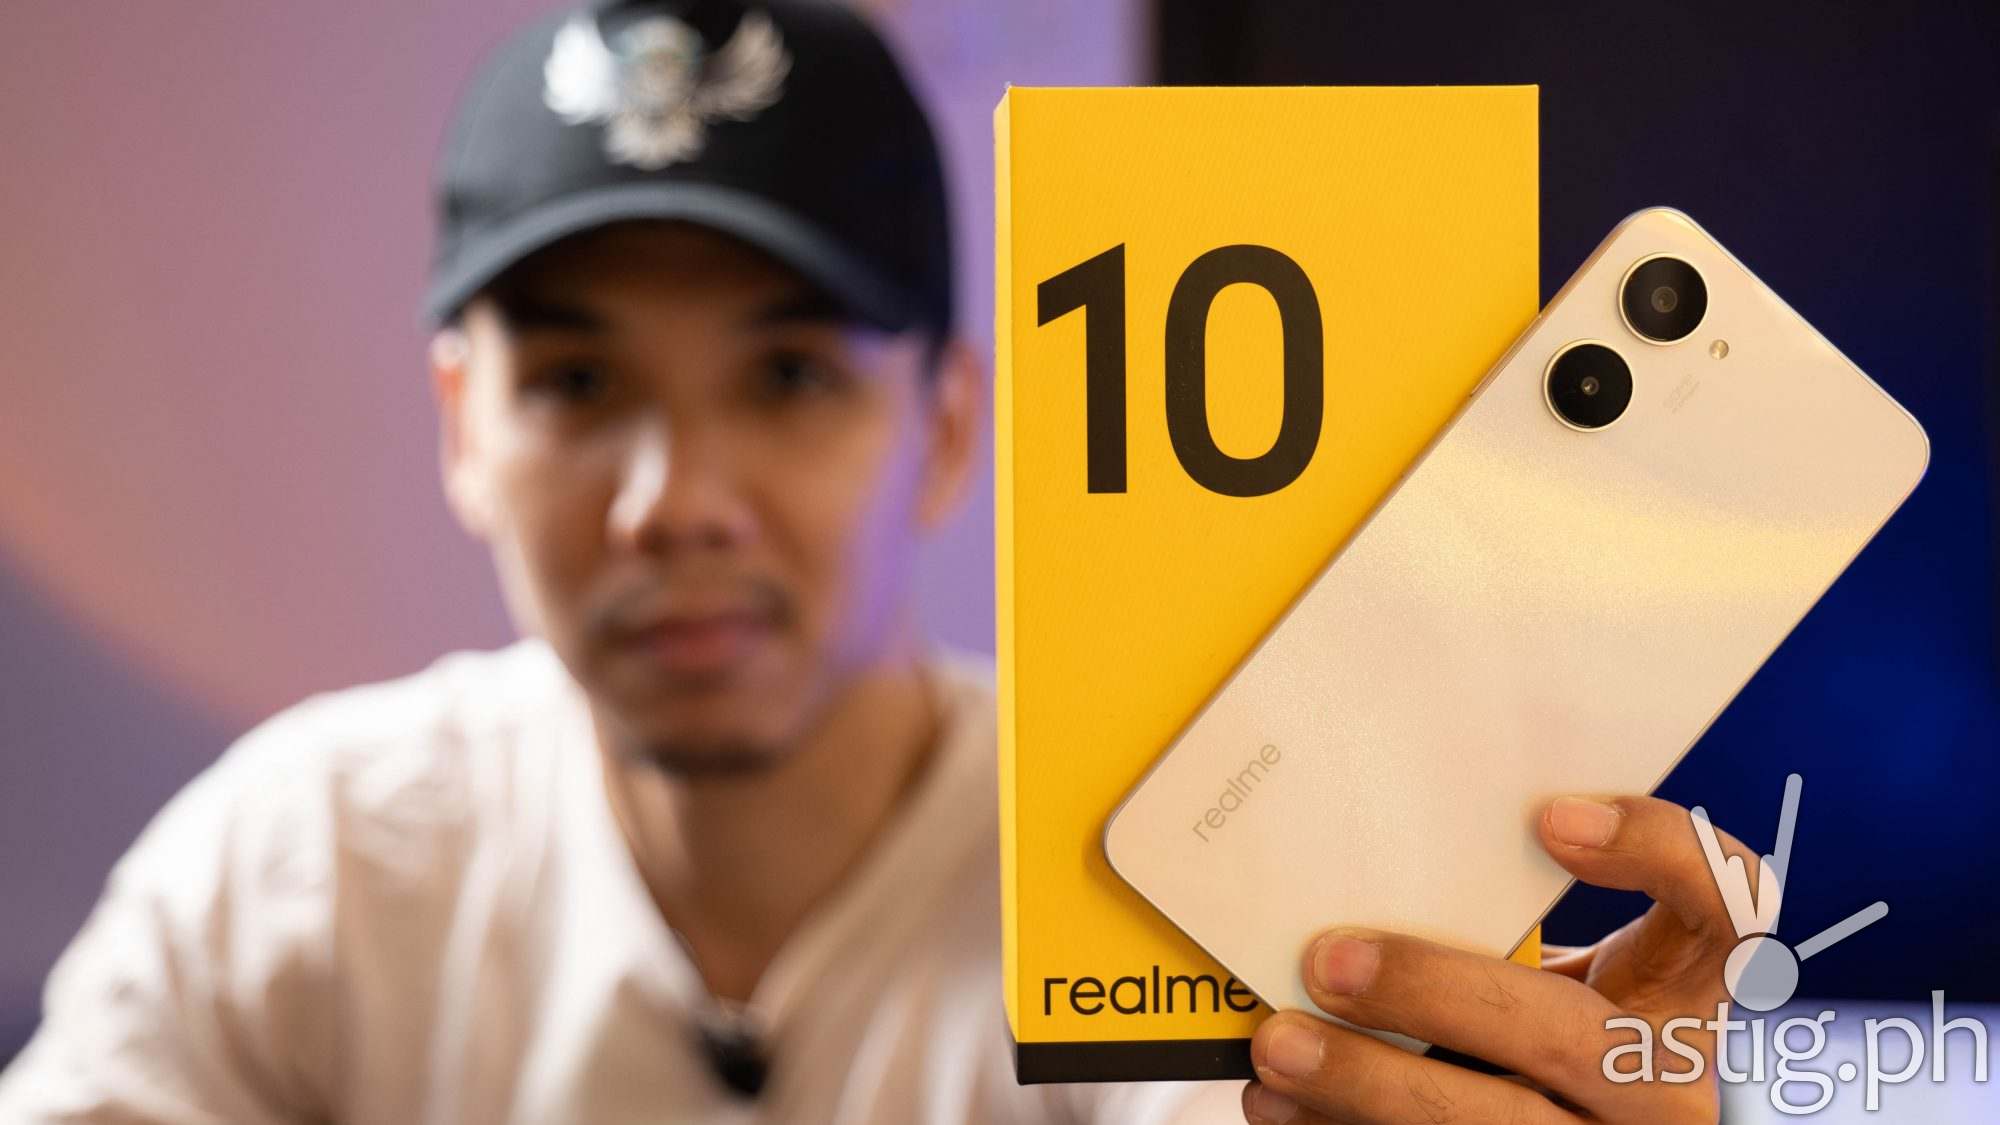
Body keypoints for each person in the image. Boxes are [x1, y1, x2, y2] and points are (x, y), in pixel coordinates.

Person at [0, 2, 1761, 1122]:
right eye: (579, 385)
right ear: (464, 425)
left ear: (946, 422)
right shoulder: (300, 871)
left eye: (786, 375)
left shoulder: (1182, 889)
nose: (672, 501)